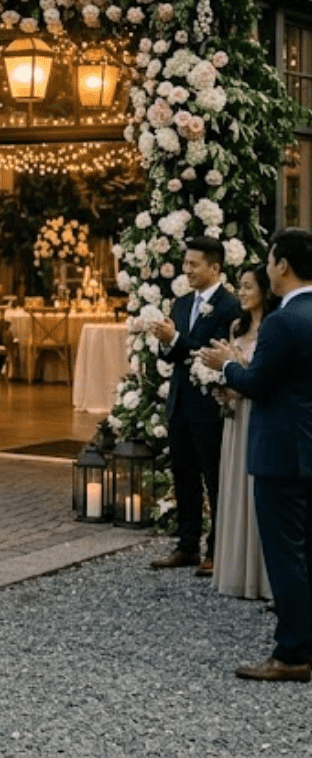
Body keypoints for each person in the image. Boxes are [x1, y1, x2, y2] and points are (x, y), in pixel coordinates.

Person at [201, 228, 312, 682]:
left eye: (269, 260)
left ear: (282, 265)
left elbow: (256, 384)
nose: (266, 268)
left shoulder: (283, 322)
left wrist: (226, 364)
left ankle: (291, 654)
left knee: (285, 555)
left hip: (281, 453)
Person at [145, 236, 242, 575]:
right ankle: (187, 545)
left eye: (193, 264)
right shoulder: (183, 303)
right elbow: (173, 355)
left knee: (214, 477)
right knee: (183, 474)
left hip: (209, 405)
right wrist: (165, 340)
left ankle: (216, 550)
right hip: (180, 400)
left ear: (215, 267)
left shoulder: (229, 307)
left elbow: (208, 352)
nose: (187, 270)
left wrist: (175, 339)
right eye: (185, 264)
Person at [212, 264, 278, 601]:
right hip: (235, 417)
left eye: (248, 286)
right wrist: (223, 384)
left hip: (259, 415)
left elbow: (264, 377)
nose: (242, 291)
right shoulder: (236, 327)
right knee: (235, 485)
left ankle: (261, 577)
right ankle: (235, 569)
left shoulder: (274, 328)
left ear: (265, 290)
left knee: (257, 491)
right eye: (239, 285)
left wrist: (239, 373)